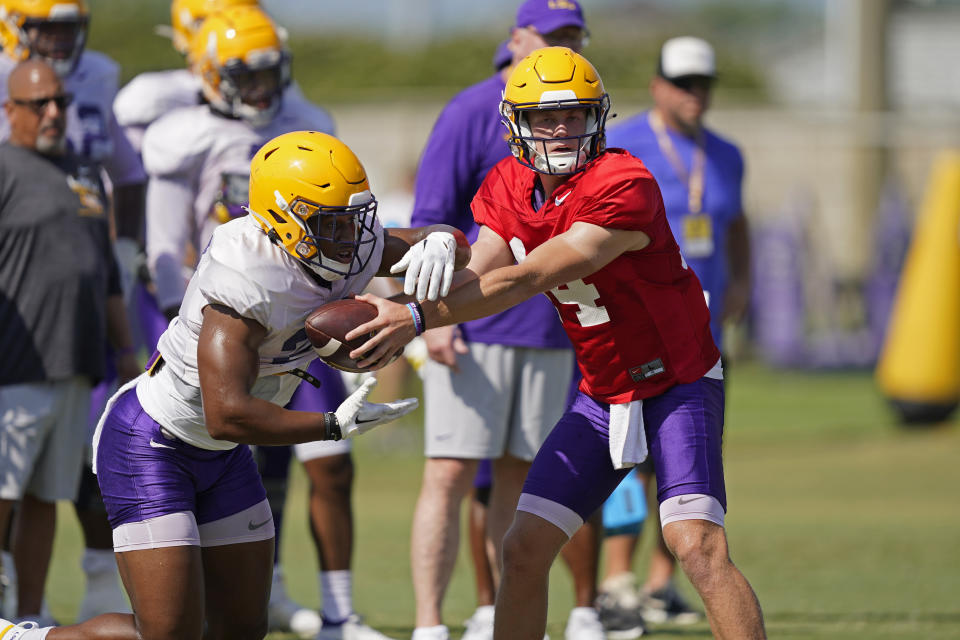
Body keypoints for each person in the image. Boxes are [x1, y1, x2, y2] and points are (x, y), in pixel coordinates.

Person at [346, 46, 767, 640]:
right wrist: (407, 275)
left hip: (677, 380)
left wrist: (413, 319)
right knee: (523, 547)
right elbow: (483, 264)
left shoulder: (625, 182)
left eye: (576, 114)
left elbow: (525, 278)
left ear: (599, 116)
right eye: (546, 116)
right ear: (515, 123)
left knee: (694, 544)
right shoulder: (509, 183)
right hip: (603, 391)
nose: (562, 129)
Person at [0, 129, 470, 640]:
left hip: (221, 456)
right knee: (170, 634)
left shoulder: (345, 239)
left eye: (354, 219)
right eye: (332, 222)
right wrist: (330, 424)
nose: (352, 237)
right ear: (284, 220)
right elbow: (228, 414)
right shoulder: (245, 274)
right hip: (152, 443)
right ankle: (30, 637)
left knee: (243, 627)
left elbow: (449, 246)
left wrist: (444, 241)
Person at [138, 6, 393, 638]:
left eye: (268, 74)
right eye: (242, 76)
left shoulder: (305, 126)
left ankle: (336, 609)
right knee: (237, 448)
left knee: (328, 462)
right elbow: (166, 246)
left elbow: (370, 239)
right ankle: (228, 587)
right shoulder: (183, 135)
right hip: (234, 314)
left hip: (302, 318)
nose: (259, 89)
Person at [405, 2, 603, 640]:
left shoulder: (582, 116)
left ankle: (496, 614)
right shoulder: (472, 110)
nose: (564, 45)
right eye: (552, 35)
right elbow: (434, 216)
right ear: (517, 38)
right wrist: (435, 319)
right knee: (450, 471)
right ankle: (430, 624)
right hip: (476, 325)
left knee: (520, 477)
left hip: (548, 330)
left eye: (574, 35)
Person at [0, 0, 146, 622]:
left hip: (78, 359)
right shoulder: (3, 167)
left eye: (59, 102)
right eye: (40, 105)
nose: (55, 112)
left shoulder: (87, 171)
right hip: (16, 362)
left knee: (45, 499)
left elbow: (105, 271)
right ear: (12, 111)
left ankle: (28, 617)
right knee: (2, 496)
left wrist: (125, 345)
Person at [602, 35, 751, 627]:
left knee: (689, 458)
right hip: (638, 329)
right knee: (625, 457)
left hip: (704, 333)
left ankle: (663, 585)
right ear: (658, 85)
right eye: (684, 84)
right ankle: (618, 579)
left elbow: (736, 221)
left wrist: (743, 283)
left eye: (704, 85)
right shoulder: (623, 144)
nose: (696, 95)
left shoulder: (728, 154)